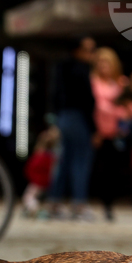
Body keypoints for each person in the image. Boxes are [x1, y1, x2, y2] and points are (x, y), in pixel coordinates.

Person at [90, 47, 132, 221]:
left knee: (116, 171)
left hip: (120, 134)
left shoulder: (121, 83)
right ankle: (104, 205)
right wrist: (120, 111)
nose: (104, 66)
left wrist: (125, 110)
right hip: (101, 133)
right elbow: (100, 108)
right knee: (101, 171)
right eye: (100, 62)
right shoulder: (93, 82)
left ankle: (111, 205)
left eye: (107, 62)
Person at [48, 37, 96, 220]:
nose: (91, 54)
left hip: (63, 118)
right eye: (88, 50)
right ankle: (79, 204)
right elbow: (87, 100)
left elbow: (55, 95)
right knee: (81, 161)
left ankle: (54, 202)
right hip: (78, 118)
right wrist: (93, 126)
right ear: (77, 50)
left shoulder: (60, 67)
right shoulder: (80, 69)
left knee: (64, 160)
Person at [22, 125, 58, 216]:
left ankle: (36, 211)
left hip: (37, 182)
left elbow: (29, 168)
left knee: (28, 197)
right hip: (48, 182)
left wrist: (33, 178)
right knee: (43, 198)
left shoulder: (39, 156)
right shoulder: (53, 157)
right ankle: (38, 210)